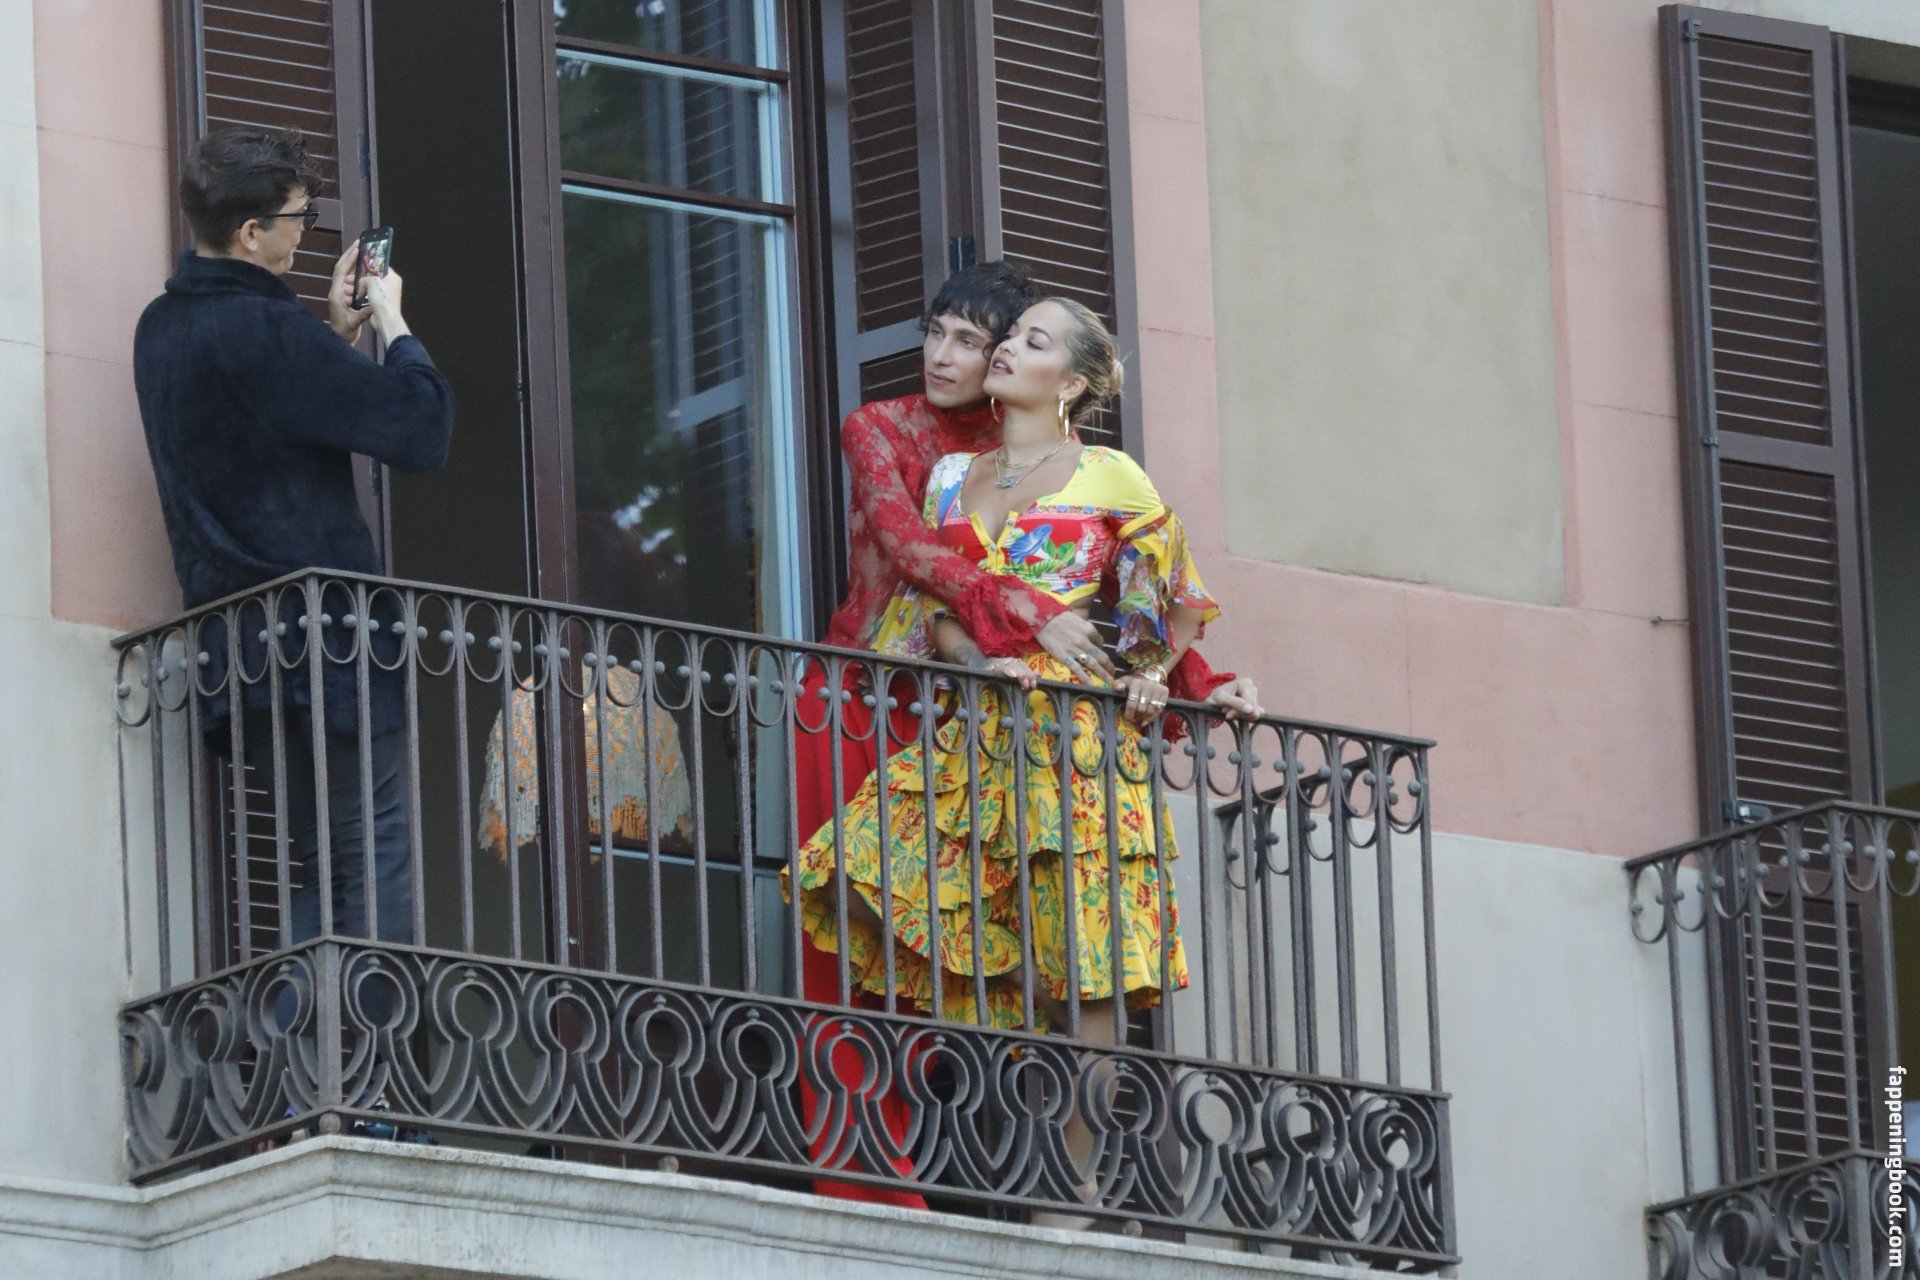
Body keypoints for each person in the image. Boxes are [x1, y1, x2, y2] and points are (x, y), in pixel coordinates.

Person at [791, 270, 1259, 1206]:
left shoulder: (1105, 469)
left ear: (1068, 379)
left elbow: (1156, 594)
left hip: (1068, 735)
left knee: (1085, 963)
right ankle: (919, 1124)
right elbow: (925, 572)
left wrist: (1186, 679)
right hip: (943, 709)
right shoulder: (928, 459)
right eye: (942, 333)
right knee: (852, 882)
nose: (955, 355)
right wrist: (993, 648)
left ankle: (1071, 1194)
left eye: (988, 339)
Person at [133, 128, 453, 959]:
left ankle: (291, 1039)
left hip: (240, 652)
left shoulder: (159, 330)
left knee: (328, 872)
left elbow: (258, 423)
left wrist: (333, 335)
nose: (305, 234)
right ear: (251, 232)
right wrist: (392, 321)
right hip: (330, 646)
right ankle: (362, 1040)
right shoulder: (269, 332)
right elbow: (421, 431)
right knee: (373, 865)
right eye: (299, 218)